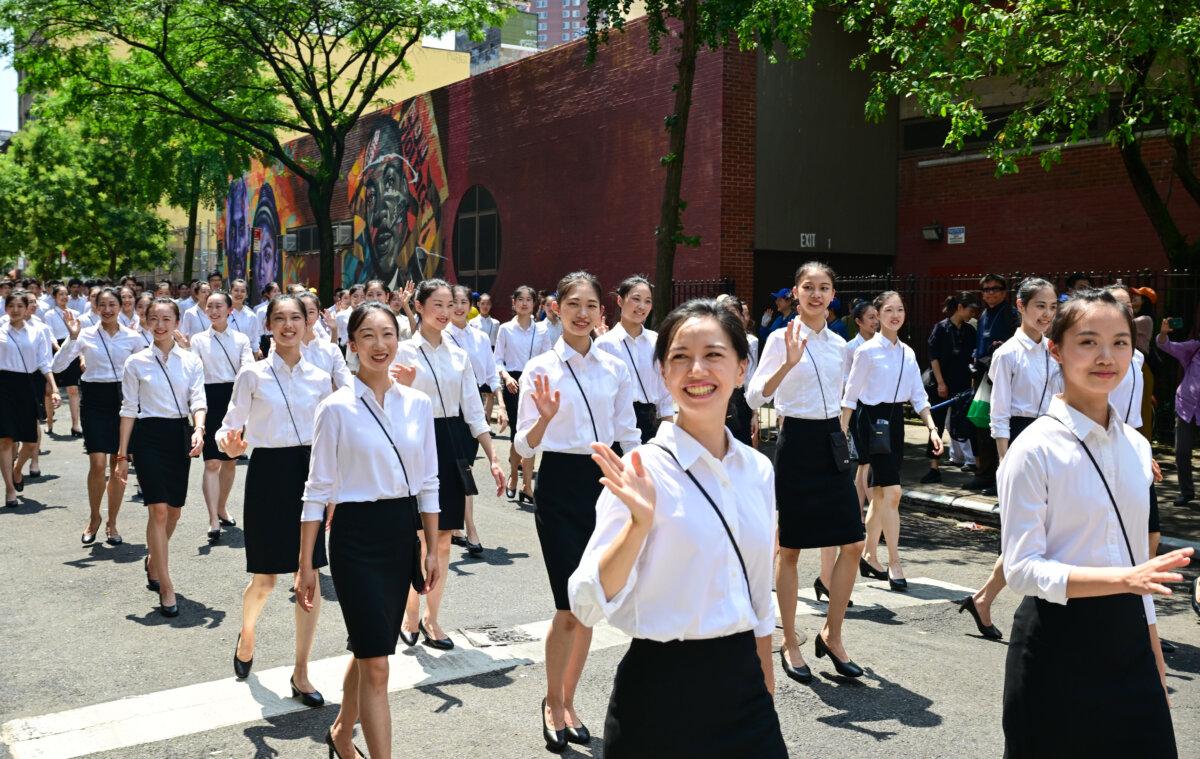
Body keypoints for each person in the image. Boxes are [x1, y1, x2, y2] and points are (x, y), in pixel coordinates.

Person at [568, 298, 787, 758]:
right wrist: (638, 525)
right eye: (680, 358)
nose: (697, 370)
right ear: (664, 375)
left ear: (742, 368)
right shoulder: (641, 471)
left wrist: (764, 682)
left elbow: (760, 594)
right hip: (659, 697)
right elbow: (586, 603)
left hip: (744, 689)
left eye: (713, 355)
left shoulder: (758, 470)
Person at [998, 288, 1189, 757]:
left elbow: (1135, 566)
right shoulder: (1034, 448)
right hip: (1055, 647)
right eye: (1088, 342)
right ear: (1056, 349)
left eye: (1120, 342)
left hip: (1129, 648)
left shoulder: (1137, 447)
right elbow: (1021, 568)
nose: (1107, 357)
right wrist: (1123, 577)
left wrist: (1155, 657)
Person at [296, 302, 441, 759]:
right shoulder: (335, 408)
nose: (380, 345)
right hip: (355, 537)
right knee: (378, 666)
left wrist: (432, 547)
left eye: (388, 334)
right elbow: (316, 490)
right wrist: (307, 563)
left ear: (399, 340)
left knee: (369, 647)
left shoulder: (418, 404)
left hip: (401, 532)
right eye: (369, 336)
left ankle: (342, 732)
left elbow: (429, 484)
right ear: (352, 344)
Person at [515, 271, 639, 753]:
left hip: (604, 482)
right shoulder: (541, 367)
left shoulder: (613, 367)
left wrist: (636, 480)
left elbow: (628, 432)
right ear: (556, 309)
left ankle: (569, 699)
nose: (582, 313)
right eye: (573, 305)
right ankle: (552, 701)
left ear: (600, 312)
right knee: (567, 606)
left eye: (590, 305)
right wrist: (544, 418)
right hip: (560, 487)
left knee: (589, 605)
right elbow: (524, 445)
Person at [748, 262, 866, 683]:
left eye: (824, 288)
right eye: (808, 287)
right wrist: (787, 363)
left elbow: (845, 394)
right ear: (795, 293)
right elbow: (753, 396)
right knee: (793, 549)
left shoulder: (840, 344)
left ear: (833, 295)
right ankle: (790, 641)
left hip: (832, 442)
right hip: (796, 441)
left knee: (853, 541)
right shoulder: (780, 337)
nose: (816, 295)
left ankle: (833, 634)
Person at [218, 294, 333, 708]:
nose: (288, 325)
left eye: (295, 318)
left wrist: (333, 489)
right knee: (265, 581)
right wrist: (229, 444)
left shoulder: (322, 378)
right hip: (266, 475)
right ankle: (247, 633)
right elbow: (229, 429)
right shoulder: (252, 375)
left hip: (310, 477)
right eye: (279, 318)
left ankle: (301, 672)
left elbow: (329, 439)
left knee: (310, 576)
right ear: (268, 325)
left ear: (308, 323)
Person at [391, 280, 506, 650]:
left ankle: (432, 618)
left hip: (454, 441)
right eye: (436, 304)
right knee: (417, 535)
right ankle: (410, 612)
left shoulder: (460, 355)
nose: (444, 311)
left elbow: (473, 410)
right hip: (415, 442)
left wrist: (492, 456)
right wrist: (403, 388)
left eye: (451, 304)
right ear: (420, 306)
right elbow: (384, 405)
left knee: (442, 539)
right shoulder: (403, 351)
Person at [957, 278, 1061, 640]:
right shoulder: (1007, 354)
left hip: (1052, 439)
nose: (1047, 314)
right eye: (1039, 306)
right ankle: (1019, 611)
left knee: (1043, 533)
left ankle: (983, 599)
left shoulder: (1055, 350)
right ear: (1020, 306)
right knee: (1029, 534)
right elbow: (998, 416)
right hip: (1018, 439)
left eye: (1052, 307)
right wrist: (1005, 462)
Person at [842, 291, 943, 591]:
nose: (895, 315)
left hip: (895, 421)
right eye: (888, 310)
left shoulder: (908, 353)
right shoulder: (867, 351)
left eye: (900, 309)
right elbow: (850, 394)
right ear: (879, 314)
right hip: (871, 420)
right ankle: (894, 561)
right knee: (894, 491)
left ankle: (868, 553)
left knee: (882, 493)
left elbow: (918, 396)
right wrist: (842, 428)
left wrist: (933, 428)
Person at [116, 298, 207, 617]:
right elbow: (128, 409)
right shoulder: (136, 362)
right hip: (148, 437)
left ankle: (154, 558)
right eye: (153, 318)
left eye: (166, 318)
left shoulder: (191, 360)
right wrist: (122, 454)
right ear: (145, 322)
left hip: (178, 436)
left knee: (174, 512)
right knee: (156, 510)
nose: (159, 324)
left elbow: (198, 399)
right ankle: (166, 586)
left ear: (177, 322)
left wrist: (199, 429)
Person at [51, 288, 142, 543]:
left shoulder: (133, 338)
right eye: (102, 305)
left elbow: (146, 370)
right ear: (95, 307)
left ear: (121, 305)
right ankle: (94, 517)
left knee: (118, 465)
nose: (108, 310)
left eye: (113, 304)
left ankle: (112, 523)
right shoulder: (85, 335)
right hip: (94, 400)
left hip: (123, 400)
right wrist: (71, 338)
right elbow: (57, 366)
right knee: (97, 463)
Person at [446, 284, 506, 552]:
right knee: (454, 470)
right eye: (453, 302)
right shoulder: (442, 337)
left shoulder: (481, 338)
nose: (459, 307)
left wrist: (501, 406)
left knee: (465, 469)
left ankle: (462, 526)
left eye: (463, 302)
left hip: (474, 408)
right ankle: (467, 528)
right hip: (448, 410)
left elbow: (491, 374)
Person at [190, 291, 254, 542]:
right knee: (212, 463)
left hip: (235, 398)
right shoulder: (197, 340)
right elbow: (194, 373)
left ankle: (222, 506)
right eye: (209, 306)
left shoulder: (240, 339)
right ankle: (212, 519)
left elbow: (247, 368)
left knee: (229, 460)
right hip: (209, 398)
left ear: (230, 310)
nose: (214, 311)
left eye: (219, 306)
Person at [595, 275, 674, 446]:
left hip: (650, 423)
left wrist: (668, 425)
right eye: (636, 299)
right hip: (615, 423)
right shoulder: (604, 344)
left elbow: (664, 387)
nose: (642, 306)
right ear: (620, 301)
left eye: (647, 301)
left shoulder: (656, 341)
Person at [1, 291, 60, 507]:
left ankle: (17, 470)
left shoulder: (38, 331)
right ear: (6, 308)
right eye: (11, 306)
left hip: (27, 385)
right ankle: (9, 489)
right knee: (6, 439)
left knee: (31, 440)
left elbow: (45, 362)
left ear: (27, 309)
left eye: (19, 306)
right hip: (3, 385)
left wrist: (53, 388)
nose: (15, 310)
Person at [967, 274, 1020, 494]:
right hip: (982, 374)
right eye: (986, 289)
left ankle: (1000, 479)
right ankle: (984, 474)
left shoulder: (1012, 314)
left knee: (999, 427)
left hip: (1003, 377)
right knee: (981, 426)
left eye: (995, 289)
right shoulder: (983, 315)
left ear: (1004, 291)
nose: (990, 293)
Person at [496, 285, 549, 503]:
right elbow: (497, 359)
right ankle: (513, 478)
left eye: (529, 299)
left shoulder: (542, 330)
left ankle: (528, 485)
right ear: (514, 303)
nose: (525, 303)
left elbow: (548, 359)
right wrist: (507, 377)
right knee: (517, 434)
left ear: (535, 304)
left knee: (533, 434)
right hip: (513, 384)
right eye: (521, 299)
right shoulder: (505, 329)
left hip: (534, 383)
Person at [923, 291, 980, 483]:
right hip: (942, 383)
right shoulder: (940, 328)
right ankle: (934, 466)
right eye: (970, 309)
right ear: (960, 308)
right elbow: (934, 357)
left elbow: (973, 358)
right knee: (937, 425)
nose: (973, 313)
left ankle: (977, 465)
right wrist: (940, 382)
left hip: (962, 383)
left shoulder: (970, 331)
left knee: (967, 423)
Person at [1156, 315, 1200, 507]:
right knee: (1182, 451)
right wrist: (1164, 334)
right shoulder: (1195, 347)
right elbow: (1167, 346)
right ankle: (1186, 492)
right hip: (1186, 406)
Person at [845, 301, 879, 514]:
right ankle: (876, 515)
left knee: (864, 463)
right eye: (871, 317)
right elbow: (844, 380)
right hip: (858, 409)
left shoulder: (882, 343)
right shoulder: (850, 348)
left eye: (877, 316)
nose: (876, 322)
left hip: (878, 409)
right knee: (866, 461)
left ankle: (857, 512)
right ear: (858, 322)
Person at [716, 295, 759, 446]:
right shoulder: (713, 342)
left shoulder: (750, 342)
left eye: (735, 315)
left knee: (742, 446)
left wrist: (754, 413)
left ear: (742, 317)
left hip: (741, 399)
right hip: (717, 398)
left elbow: (751, 378)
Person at [45, 284, 84, 437]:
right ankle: (49, 421)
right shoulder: (49, 314)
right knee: (49, 391)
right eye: (60, 294)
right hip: (57, 351)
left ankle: (76, 425)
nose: (64, 297)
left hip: (73, 349)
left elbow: (79, 335)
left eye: (66, 294)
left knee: (73, 389)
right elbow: (50, 334)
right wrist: (59, 349)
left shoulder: (76, 313)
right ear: (55, 297)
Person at [294, 293, 353, 389]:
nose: (306, 317)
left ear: (318, 315)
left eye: (311, 312)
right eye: (300, 311)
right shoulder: (285, 349)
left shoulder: (331, 349)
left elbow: (345, 381)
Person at [226, 279, 261, 359]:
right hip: (226, 356)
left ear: (246, 294)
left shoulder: (251, 316)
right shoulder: (223, 313)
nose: (239, 294)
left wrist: (255, 359)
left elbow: (255, 340)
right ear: (230, 291)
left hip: (246, 357)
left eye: (242, 291)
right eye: (236, 290)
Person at [254, 282, 280, 356]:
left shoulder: (283, 308)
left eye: (279, 291)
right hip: (266, 340)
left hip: (280, 338)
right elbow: (259, 329)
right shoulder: (261, 310)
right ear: (268, 294)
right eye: (274, 291)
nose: (278, 293)